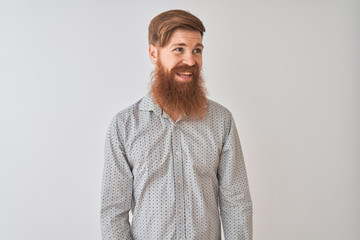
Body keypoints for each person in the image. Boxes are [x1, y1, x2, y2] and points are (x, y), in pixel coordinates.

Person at [101, 9, 253, 240]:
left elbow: (236, 203)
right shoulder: (124, 126)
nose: (190, 60)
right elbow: (113, 212)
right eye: (178, 49)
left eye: (197, 50)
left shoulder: (221, 120)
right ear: (154, 53)